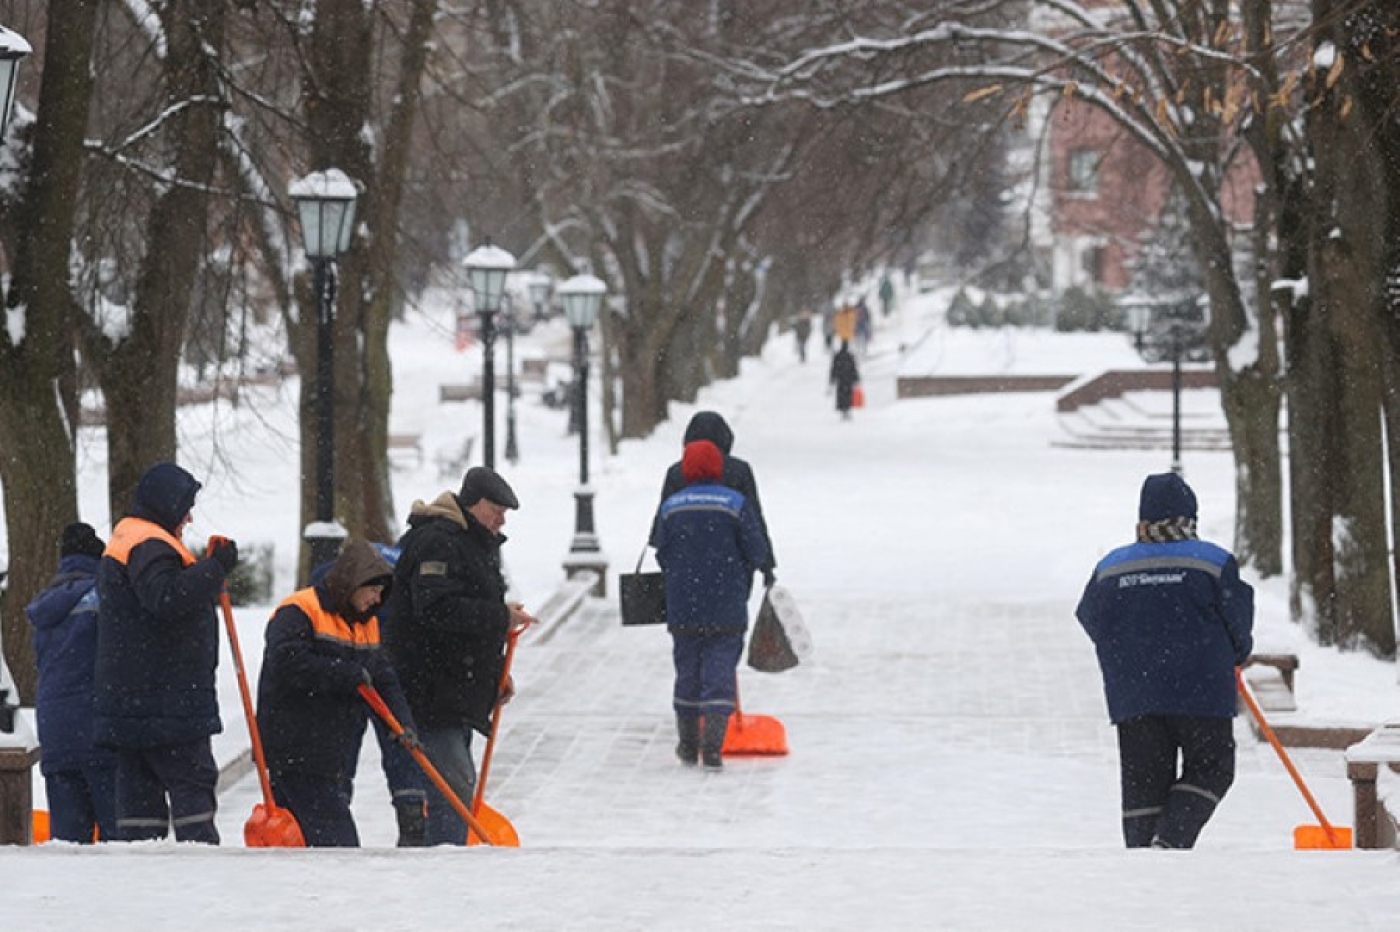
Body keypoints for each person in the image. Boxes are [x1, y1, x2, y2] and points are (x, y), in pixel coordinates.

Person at [1075, 472, 1254, 850]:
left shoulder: (1112, 567)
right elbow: (1238, 619)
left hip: (1134, 693)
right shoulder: (1213, 561)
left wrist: (1130, 651)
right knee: (1212, 767)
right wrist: (1234, 654)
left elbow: (1090, 616)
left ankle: (1144, 860)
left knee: (1144, 782)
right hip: (1201, 691)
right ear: (1190, 517)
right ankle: (1171, 840)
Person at [380, 466, 534, 845]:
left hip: (454, 688)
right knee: (454, 787)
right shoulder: (438, 541)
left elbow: (468, 617)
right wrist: (501, 616)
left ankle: (436, 855)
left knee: (452, 786)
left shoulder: (472, 543)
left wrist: (496, 671)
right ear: (474, 504)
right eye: (496, 509)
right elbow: (435, 610)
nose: (501, 519)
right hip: (430, 689)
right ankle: (442, 864)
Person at [94, 462, 238, 844]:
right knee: (194, 804)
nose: (189, 517)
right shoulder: (148, 544)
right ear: (167, 505)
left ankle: (141, 888)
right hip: (167, 704)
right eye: (185, 506)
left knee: (139, 818)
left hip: (135, 704)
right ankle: (199, 878)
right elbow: (167, 597)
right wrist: (215, 569)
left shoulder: (128, 538)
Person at [257, 539, 415, 847]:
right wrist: (346, 674)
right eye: (373, 590)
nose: (377, 599)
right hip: (295, 747)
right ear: (355, 583)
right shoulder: (300, 610)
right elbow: (288, 663)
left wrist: (403, 725)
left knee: (304, 844)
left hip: (331, 753)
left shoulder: (365, 624)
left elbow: (384, 680)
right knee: (338, 846)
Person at [650, 439, 771, 770]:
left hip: (683, 604)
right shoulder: (735, 504)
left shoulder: (672, 506)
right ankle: (713, 745)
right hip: (726, 604)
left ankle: (687, 744)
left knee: (687, 669)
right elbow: (756, 551)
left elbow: (661, 551)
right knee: (720, 669)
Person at [25, 522, 118, 843]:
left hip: (56, 731)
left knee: (68, 847)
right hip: (98, 731)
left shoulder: (46, 604)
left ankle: (68, 894)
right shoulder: (106, 595)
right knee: (118, 847)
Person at [657, 410, 776, 587]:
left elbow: (661, 531)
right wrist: (766, 565)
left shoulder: (677, 472)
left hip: (685, 569)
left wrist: (669, 562)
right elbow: (755, 519)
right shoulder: (739, 471)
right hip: (731, 567)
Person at [830, 340, 860, 419]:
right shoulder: (849, 356)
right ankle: (847, 409)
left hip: (841, 379)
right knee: (848, 394)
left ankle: (843, 409)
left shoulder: (837, 356)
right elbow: (854, 368)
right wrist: (856, 378)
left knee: (841, 395)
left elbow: (834, 368)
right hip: (848, 379)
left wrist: (832, 378)